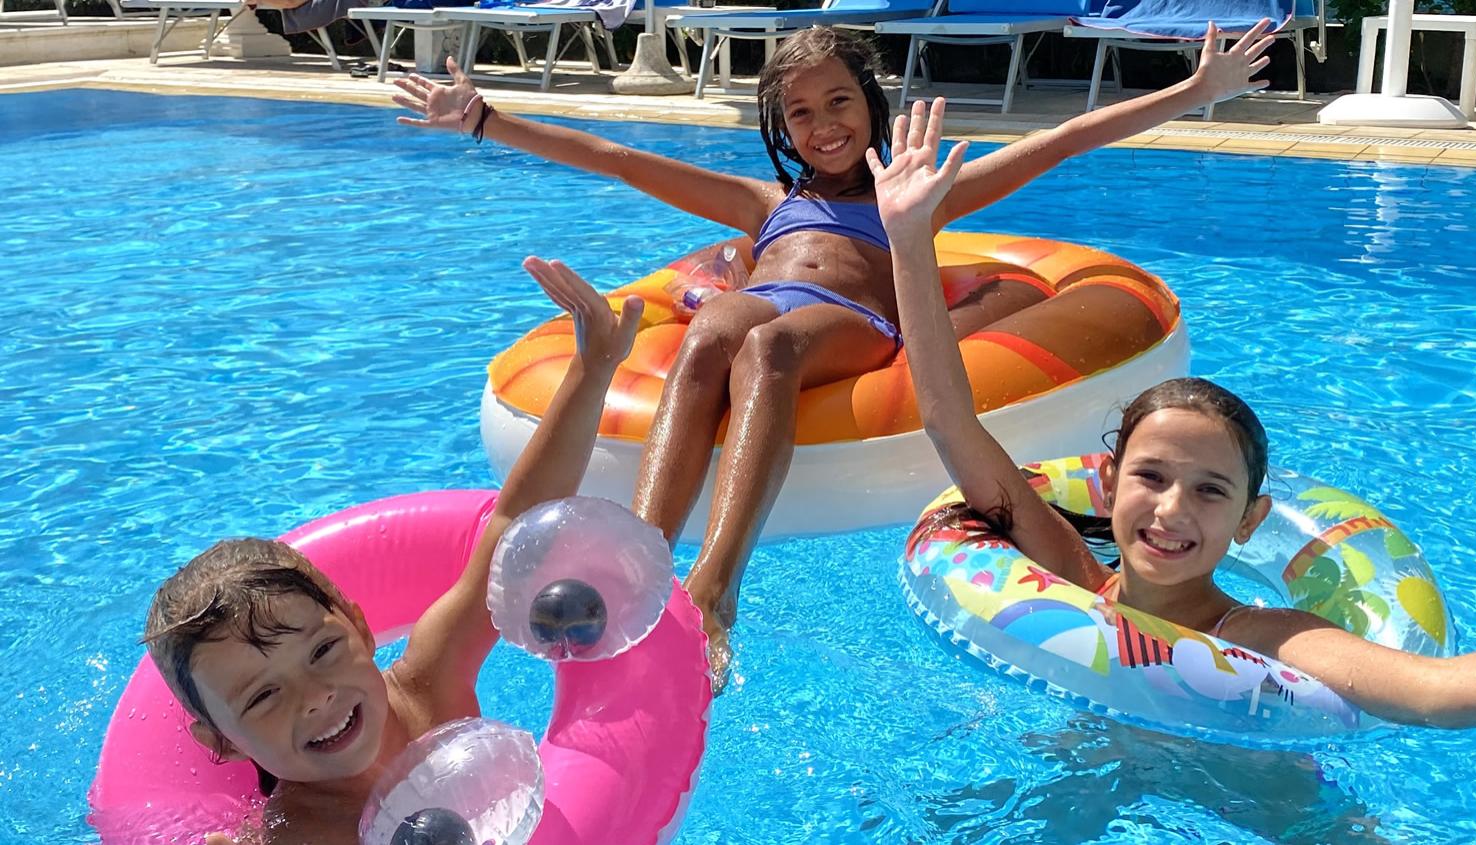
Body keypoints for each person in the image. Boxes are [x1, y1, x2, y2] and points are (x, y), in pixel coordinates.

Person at [392, 23, 1277, 685]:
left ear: (873, 104)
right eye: (801, 112)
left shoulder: (915, 195)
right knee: (709, 336)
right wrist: (486, 120)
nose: (822, 125)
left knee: (769, 346)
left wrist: (1194, 92)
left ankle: (714, 587)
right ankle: (643, 560)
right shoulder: (764, 201)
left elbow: (1065, 141)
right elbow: (620, 159)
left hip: (848, 325)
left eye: (839, 103)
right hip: (759, 304)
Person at [871, 94, 1476, 729]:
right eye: (1151, 476)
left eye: (1211, 489)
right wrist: (908, 239)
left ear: (1251, 520)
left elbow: (1432, 693)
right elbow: (947, 418)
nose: (1172, 508)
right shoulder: (1070, 575)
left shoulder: (1260, 634)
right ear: (1110, 481)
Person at [144, 259, 644, 844]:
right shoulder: (298, 835)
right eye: (263, 696)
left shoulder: (433, 679)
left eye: (323, 649)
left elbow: (513, 529)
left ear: (358, 624)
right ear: (223, 742)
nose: (316, 696)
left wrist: (593, 367)